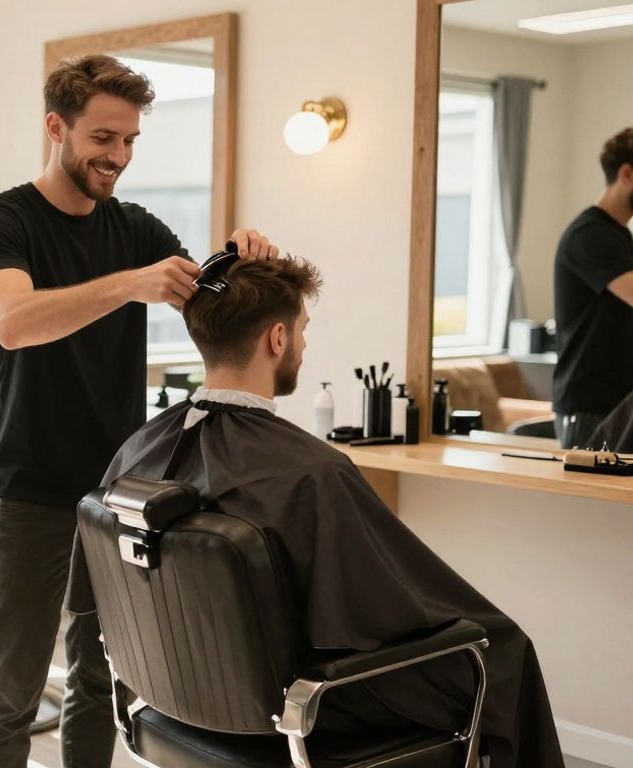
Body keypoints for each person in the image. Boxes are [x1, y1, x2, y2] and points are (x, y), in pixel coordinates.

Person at [70, 256, 565, 767]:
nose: (304, 346)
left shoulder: (137, 452)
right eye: (303, 331)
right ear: (277, 339)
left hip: (174, 702)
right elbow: (381, 613)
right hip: (301, 716)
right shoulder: (312, 474)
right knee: (501, 651)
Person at [0, 54, 279, 767]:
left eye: (131, 140)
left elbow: (207, 301)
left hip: (115, 491)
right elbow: (13, 320)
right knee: (11, 688)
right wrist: (129, 284)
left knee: (100, 677)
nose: (119, 156)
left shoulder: (136, 226)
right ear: (57, 127)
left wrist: (240, 260)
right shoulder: (2, 221)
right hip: (31, 487)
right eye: (104, 138)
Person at [553, 127, 633, 448]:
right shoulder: (588, 236)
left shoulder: (620, 238)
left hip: (615, 407)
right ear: (626, 174)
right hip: (590, 413)